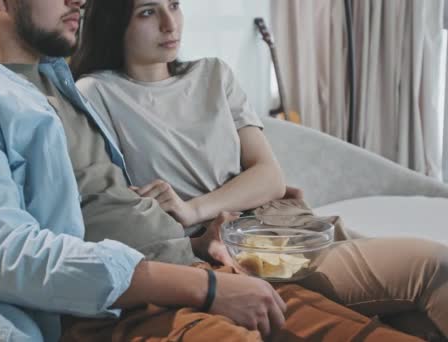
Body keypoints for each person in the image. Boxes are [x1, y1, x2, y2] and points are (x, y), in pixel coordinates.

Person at [0, 0, 436, 341]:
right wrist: (202, 289)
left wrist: (206, 249)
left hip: (201, 273)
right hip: (121, 310)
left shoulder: (56, 80)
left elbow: (118, 202)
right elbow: (7, 256)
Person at [70, 0, 448, 340]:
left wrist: (194, 209)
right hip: (220, 254)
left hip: (276, 228)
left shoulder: (214, 75)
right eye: (148, 12)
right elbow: (111, 205)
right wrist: (197, 226)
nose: (171, 24)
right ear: (113, 22)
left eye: (175, 5)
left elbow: (269, 176)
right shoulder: (95, 93)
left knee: (431, 278)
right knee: (418, 292)